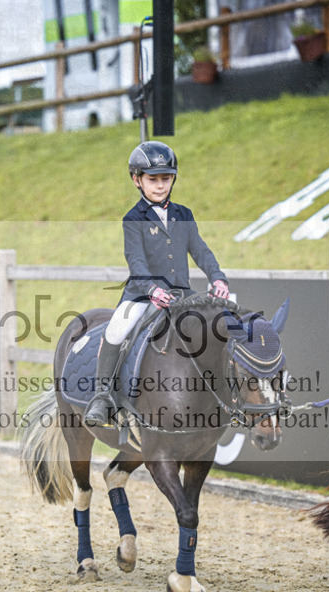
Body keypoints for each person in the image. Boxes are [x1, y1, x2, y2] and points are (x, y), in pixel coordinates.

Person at [84, 141, 230, 428]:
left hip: (181, 294)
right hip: (141, 294)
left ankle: (223, 394)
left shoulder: (183, 214)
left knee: (215, 326)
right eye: (153, 179)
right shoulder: (132, 219)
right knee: (116, 330)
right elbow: (136, 261)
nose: (161, 185)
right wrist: (152, 289)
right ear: (137, 180)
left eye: (166, 178)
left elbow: (200, 250)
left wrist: (217, 277)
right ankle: (102, 397)